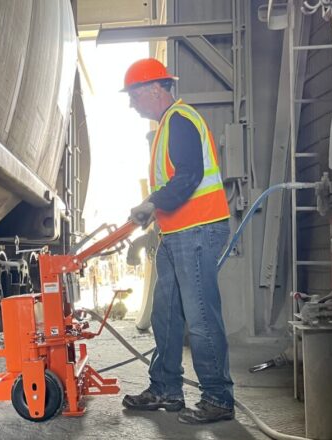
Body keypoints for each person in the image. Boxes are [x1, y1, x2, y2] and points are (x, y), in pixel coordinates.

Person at [120, 58, 235, 424]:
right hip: (176, 232)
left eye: (134, 96)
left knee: (200, 318)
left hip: (198, 230)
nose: (132, 104)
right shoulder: (168, 125)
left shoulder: (180, 120)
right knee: (165, 314)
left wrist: (151, 204)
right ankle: (166, 389)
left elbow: (188, 177)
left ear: (154, 89)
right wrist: (152, 213)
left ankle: (218, 398)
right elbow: (177, 181)